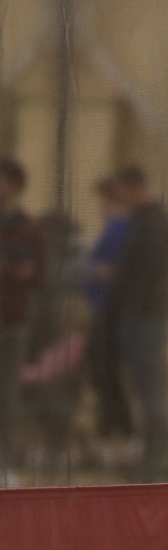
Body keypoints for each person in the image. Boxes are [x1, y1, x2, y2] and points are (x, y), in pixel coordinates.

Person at [111, 165, 168, 468]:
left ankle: (158, 451)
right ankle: (152, 448)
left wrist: (133, 302)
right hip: (138, 314)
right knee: (143, 384)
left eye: (122, 191)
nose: (120, 197)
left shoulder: (155, 223)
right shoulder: (142, 222)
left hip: (146, 315)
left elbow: (151, 272)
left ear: (134, 187)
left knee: (150, 384)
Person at [84, 177, 134, 452]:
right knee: (104, 374)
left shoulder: (121, 229)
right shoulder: (113, 229)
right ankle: (113, 432)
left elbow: (114, 269)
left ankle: (118, 432)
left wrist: (101, 272)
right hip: (103, 309)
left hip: (110, 312)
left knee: (105, 373)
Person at [0, 160, 44, 476]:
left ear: (15, 186)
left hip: (11, 322)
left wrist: (11, 270)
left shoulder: (28, 228)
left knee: (6, 396)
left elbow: (36, 273)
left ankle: (4, 464)